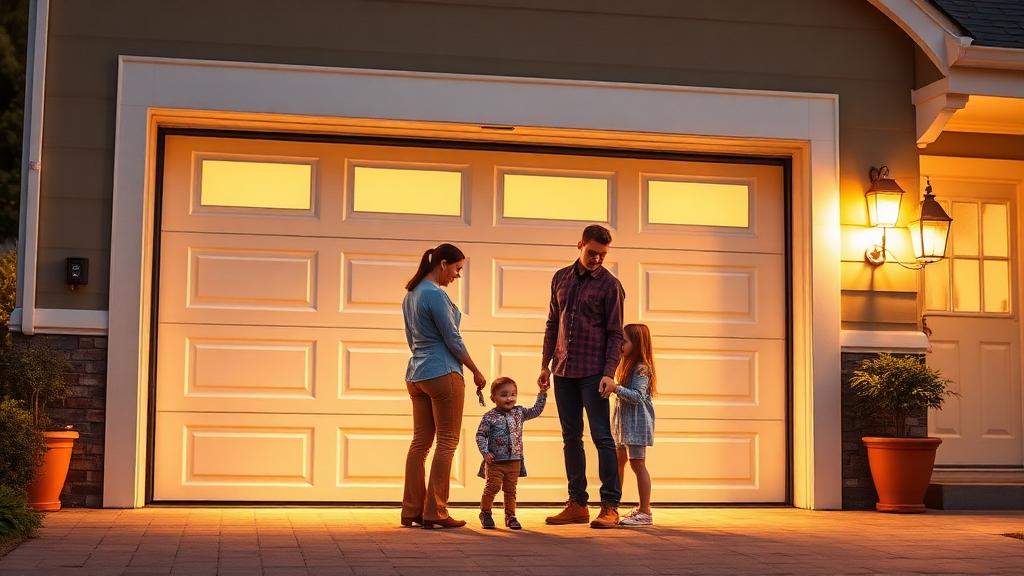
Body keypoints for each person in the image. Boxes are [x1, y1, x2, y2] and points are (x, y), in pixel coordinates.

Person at [539, 224, 625, 529]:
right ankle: (577, 503)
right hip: (563, 370)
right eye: (592, 253)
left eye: (603, 255)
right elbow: (552, 323)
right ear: (580, 245)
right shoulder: (560, 278)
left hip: (594, 373)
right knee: (570, 437)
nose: (597, 259)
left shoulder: (610, 286)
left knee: (602, 437)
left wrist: (608, 373)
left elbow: (616, 334)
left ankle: (610, 506)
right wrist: (544, 364)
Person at [401, 243, 487, 529]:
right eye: (457, 269)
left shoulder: (411, 294)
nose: (457, 276)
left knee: (420, 442)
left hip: (416, 374)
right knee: (447, 441)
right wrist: (475, 369)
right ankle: (435, 511)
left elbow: (411, 340)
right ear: (443, 264)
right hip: (442, 372)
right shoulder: (435, 295)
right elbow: (453, 339)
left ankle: (411, 510)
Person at [474, 376, 548, 530]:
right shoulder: (490, 417)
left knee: (510, 490)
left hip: (514, 460)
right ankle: (485, 512)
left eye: (513, 394)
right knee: (492, 487)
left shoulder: (519, 412)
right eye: (504, 395)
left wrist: (542, 392)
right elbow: (480, 435)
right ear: (493, 398)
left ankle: (510, 516)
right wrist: (485, 452)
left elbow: (536, 410)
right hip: (495, 461)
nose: (509, 398)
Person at [604, 323, 657, 526]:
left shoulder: (641, 368)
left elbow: (637, 397)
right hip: (623, 426)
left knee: (638, 465)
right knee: (619, 462)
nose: (619, 345)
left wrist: (615, 388)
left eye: (623, 341)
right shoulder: (624, 364)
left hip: (636, 425)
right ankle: (612, 505)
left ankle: (645, 511)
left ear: (637, 344)